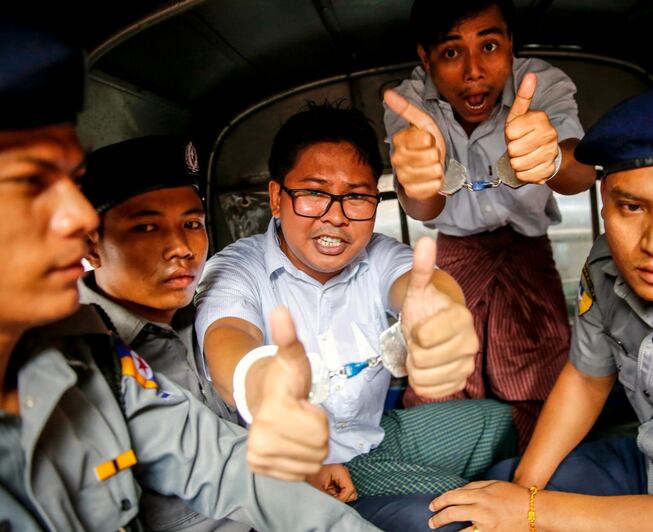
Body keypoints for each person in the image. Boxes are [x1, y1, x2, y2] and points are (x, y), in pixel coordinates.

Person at [0, 25, 378, 532]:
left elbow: (223, 467)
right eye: (29, 182)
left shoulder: (92, 364)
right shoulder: (108, 347)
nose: (76, 216)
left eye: (194, 223)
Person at [428, 81, 653, 531]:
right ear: (604, 202)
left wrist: (530, 511)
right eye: (631, 207)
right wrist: (524, 492)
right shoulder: (608, 265)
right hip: (652, 462)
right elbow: (587, 379)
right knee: (490, 496)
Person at [195, 103, 516, 531]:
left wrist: (440, 316)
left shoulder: (377, 254)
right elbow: (228, 335)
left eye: (357, 197)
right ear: (276, 197)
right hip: (294, 471)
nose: (337, 216)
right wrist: (265, 388)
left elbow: (421, 284)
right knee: (461, 511)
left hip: (373, 435)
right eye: (314, 193)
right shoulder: (237, 269)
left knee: (495, 422)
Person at [383, 0, 596, 446]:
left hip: (528, 256)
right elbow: (424, 210)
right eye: (451, 52)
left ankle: (535, 479)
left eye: (490, 45)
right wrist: (418, 179)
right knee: (441, 377)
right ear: (425, 58)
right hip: (453, 258)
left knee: (544, 379)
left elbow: (579, 175)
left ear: (511, 44)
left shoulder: (542, 83)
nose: (474, 71)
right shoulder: (407, 103)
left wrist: (553, 156)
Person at [79, 136, 246, 531]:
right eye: (147, 226)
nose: (181, 248)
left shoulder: (213, 316)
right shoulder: (76, 360)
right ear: (92, 245)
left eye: (192, 224)